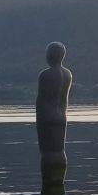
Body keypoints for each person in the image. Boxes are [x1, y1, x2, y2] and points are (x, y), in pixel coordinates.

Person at [36, 41, 72, 178]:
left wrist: (39, 122)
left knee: (47, 151)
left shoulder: (45, 74)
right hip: (62, 116)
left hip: (47, 117)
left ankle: (48, 181)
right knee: (59, 150)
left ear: (51, 55)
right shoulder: (68, 74)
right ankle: (59, 181)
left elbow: (41, 100)